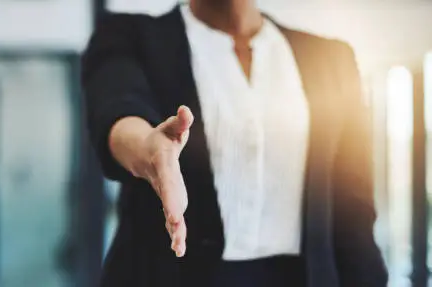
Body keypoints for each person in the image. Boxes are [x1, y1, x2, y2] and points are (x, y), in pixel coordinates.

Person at [81, 0, 388, 286]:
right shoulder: (129, 37)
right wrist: (148, 149)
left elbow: (354, 210)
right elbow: (118, 107)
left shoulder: (331, 59)